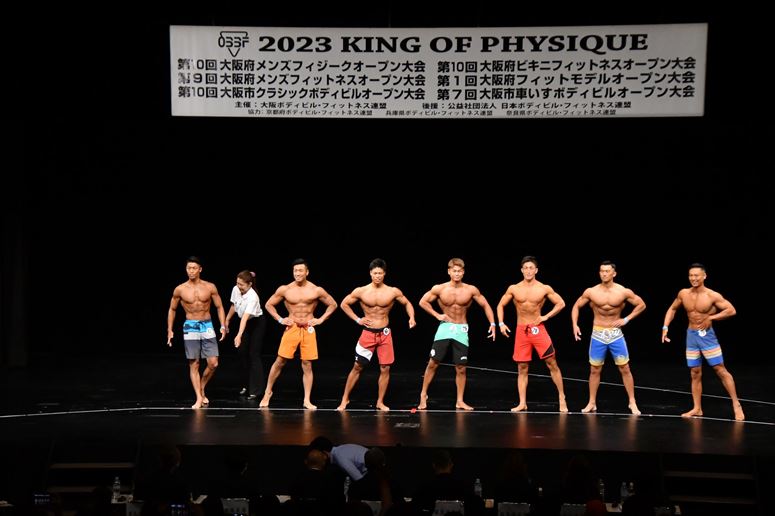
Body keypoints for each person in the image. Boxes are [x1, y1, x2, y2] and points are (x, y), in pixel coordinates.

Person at [662, 263, 745, 421]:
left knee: (720, 369)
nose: (693, 278)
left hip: (707, 336)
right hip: (691, 336)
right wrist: (665, 326)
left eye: (696, 275)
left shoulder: (712, 295)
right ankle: (697, 408)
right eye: (691, 275)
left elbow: (731, 310)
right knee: (695, 372)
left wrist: (711, 318)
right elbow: (672, 309)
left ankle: (736, 404)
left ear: (704, 276)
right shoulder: (683, 293)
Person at [337, 258, 416, 412]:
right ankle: (344, 399)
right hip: (368, 333)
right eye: (375, 273)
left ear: (384, 274)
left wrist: (411, 317)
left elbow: (407, 303)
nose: (377, 276)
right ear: (370, 274)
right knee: (357, 366)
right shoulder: (361, 291)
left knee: (385, 368)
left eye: (380, 273)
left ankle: (380, 402)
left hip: (385, 334)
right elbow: (344, 304)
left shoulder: (392, 291)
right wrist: (358, 319)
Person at [417, 258, 496, 411]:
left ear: (463, 272)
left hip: (461, 329)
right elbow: (422, 302)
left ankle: (459, 401)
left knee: (461, 367)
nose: (457, 274)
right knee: (433, 362)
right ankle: (423, 394)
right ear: (449, 271)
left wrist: (493, 324)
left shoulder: (471, 290)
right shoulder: (440, 288)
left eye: (459, 271)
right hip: (445, 327)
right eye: (454, 271)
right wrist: (437, 315)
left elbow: (485, 305)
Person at [261, 258, 338, 410]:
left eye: (300, 270)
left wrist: (321, 319)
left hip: (308, 328)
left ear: (307, 272)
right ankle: (267, 392)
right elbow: (269, 304)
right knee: (280, 361)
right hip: (292, 327)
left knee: (307, 364)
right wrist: (280, 319)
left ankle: (306, 400)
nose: (297, 273)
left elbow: (333, 304)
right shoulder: (285, 289)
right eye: (295, 270)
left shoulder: (316, 290)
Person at [571, 261, 646, 415]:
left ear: (614, 273)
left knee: (625, 368)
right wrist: (575, 325)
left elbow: (641, 305)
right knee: (594, 370)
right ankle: (592, 402)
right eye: (602, 271)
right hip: (598, 334)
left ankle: (632, 402)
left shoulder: (623, 291)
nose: (604, 274)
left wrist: (626, 319)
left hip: (615, 334)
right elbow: (576, 306)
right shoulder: (591, 292)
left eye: (607, 271)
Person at [497, 256, 568, 412]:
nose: (528, 271)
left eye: (531, 268)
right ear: (521, 270)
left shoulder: (544, 288)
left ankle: (562, 397)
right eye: (526, 268)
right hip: (521, 330)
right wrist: (501, 323)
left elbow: (561, 303)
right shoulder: (514, 288)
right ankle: (522, 403)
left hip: (538, 328)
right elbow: (500, 305)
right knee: (522, 367)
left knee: (552, 363)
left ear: (536, 270)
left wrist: (546, 317)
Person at [166, 256, 226, 409]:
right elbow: (172, 309)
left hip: (207, 325)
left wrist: (223, 325)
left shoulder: (210, 287)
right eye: (188, 268)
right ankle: (199, 397)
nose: (191, 271)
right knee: (194, 363)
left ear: (200, 269)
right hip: (190, 326)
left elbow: (219, 307)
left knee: (213, 363)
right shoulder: (180, 289)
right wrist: (169, 330)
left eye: (194, 268)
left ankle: (202, 386)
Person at [224, 270, 266, 400]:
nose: (239, 286)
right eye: (237, 283)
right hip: (244, 323)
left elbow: (245, 317)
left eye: (241, 284)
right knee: (242, 353)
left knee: (254, 354)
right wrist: (227, 320)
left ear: (249, 284)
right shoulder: (235, 289)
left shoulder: (253, 297)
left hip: (256, 324)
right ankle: (246, 385)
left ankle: (257, 390)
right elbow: (233, 305)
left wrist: (239, 335)